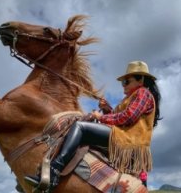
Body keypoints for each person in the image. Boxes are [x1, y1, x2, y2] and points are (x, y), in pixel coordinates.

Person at [25, 61, 161, 191]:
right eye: (122, 83)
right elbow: (119, 116)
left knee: (80, 127)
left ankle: (54, 171)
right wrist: (107, 109)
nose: (123, 85)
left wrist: (99, 117)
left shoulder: (143, 93)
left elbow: (128, 117)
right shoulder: (132, 97)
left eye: (126, 81)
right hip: (123, 136)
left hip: (127, 140)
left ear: (141, 80)